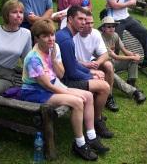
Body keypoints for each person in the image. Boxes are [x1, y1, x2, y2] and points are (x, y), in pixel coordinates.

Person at [20, 19, 109, 161]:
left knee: (88, 96)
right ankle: (79, 144)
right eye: (45, 36)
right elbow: (47, 86)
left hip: (53, 84)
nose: (51, 39)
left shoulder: (54, 47)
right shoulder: (33, 58)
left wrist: (55, 59)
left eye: (52, 34)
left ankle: (91, 137)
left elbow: (60, 74)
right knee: (78, 101)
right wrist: (68, 92)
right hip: (35, 91)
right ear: (36, 38)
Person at [55, 6, 113, 138]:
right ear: (70, 19)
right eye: (80, 19)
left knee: (100, 77)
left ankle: (94, 119)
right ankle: (97, 121)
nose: (83, 22)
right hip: (62, 82)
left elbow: (74, 63)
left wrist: (91, 72)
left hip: (65, 77)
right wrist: (91, 76)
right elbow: (71, 73)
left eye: (85, 20)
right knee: (104, 86)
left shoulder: (66, 35)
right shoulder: (66, 40)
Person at [0, 0, 32, 158]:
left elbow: (28, 58)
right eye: (14, 12)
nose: (18, 15)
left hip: (7, 76)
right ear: (6, 14)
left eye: (21, 12)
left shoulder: (25, 34)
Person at [100, 16, 146, 104]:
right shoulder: (100, 39)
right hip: (104, 65)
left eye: (113, 26)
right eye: (108, 26)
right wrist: (132, 57)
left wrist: (134, 55)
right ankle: (134, 92)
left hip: (113, 62)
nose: (112, 28)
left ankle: (131, 82)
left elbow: (124, 50)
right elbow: (115, 56)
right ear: (103, 28)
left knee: (133, 60)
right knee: (112, 73)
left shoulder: (115, 35)